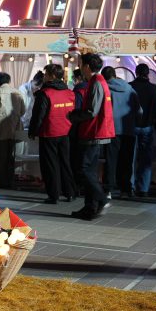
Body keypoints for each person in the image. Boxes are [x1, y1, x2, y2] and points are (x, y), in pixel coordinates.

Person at [70, 54, 114, 220]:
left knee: (84, 169)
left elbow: (91, 111)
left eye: (81, 64)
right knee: (90, 171)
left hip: (93, 131)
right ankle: (90, 207)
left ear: (87, 66)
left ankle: (102, 199)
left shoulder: (96, 83)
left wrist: (73, 116)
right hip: (96, 131)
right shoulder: (98, 81)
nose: (80, 67)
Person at [29, 64, 76, 204]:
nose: (44, 76)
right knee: (65, 162)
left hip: (49, 132)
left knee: (50, 165)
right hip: (65, 132)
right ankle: (69, 192)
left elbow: (38, 115)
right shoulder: (69, 93)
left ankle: (53, 195)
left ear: (52, 76)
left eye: (46, 74)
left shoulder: (45, 93)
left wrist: (33, 131)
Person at [100, 66, 140, 199]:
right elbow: (139, 111)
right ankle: (125, 190)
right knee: (126, 161)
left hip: (111, 130)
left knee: (110, 160)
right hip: (129, 130)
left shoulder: (105, 89)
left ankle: (108, 190)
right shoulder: (130, 89)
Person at [130, 64, 156, 198]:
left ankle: (130, 186)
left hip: (132, 126)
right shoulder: (153, 89)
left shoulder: (130, 87)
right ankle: (143, 188)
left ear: (136, 73)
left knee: (130, 158)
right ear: (148, 74)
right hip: (148, 127)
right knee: (146, 159)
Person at [0, 72, 26, 188]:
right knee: (11, 156)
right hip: (15, 127)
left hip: (1, 127)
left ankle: (2, 181)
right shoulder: (17, 92)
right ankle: (10, 180)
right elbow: (23, 111)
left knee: (1, 156)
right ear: (9, 81)